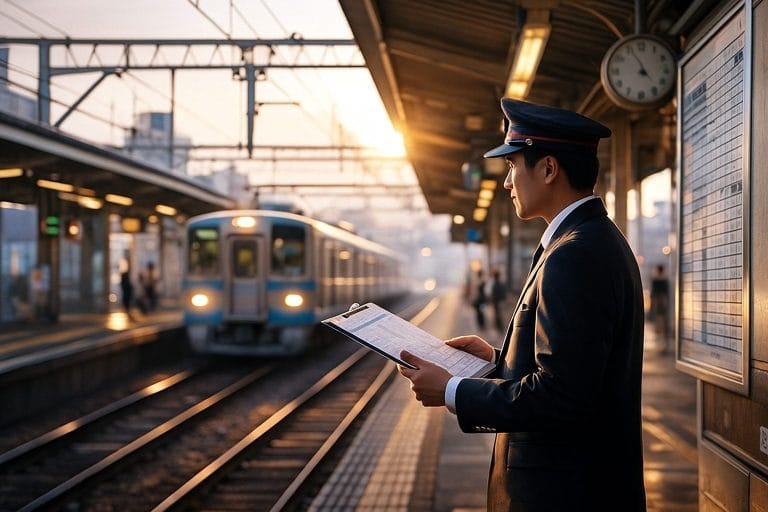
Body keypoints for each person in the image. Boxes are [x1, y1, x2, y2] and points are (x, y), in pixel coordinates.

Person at [398, 98, 646, 511]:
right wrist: (496, 361)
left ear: (548, 169)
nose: (507, 182)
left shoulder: (575, 254)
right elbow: (579, 371)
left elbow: (563, 396)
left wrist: (453, 389)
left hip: (565, 496)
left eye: (513, 166)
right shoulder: (590, 241)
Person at [650, 264, 671, 352]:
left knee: (660, 323)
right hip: (662, 303)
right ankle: (663, 343)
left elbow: (653, 293)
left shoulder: (656, 280)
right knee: (663, 322)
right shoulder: (664, 280)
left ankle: (662, 343)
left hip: (659, 303)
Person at [489, 268, 507, 332]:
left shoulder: (495, 284)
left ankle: (499, 326)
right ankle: (500, 326)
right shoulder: (501, 283)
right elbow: (504, 293)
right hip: (500, 301)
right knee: (500, 314)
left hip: (496, 302)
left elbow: (493, 294)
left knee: (498, 314)